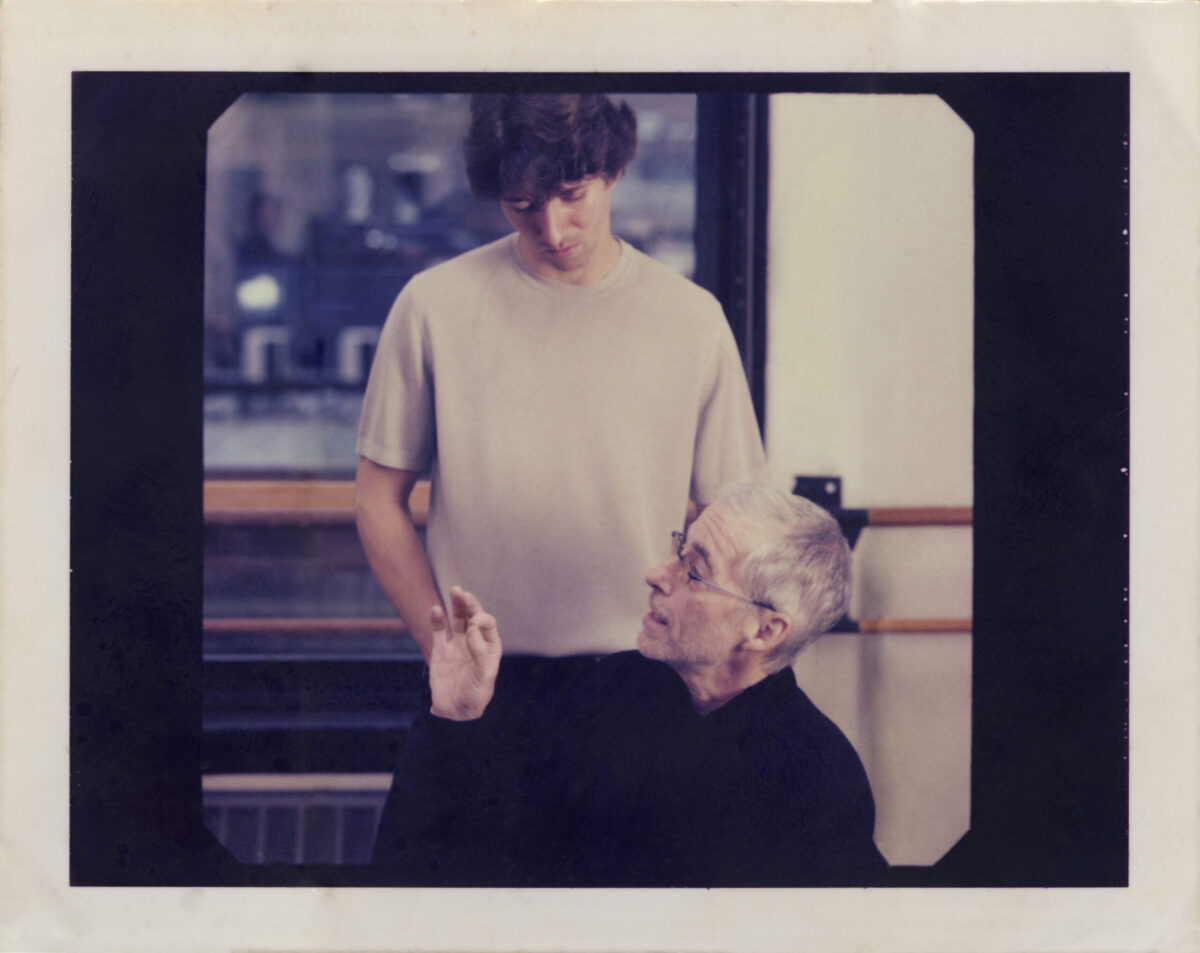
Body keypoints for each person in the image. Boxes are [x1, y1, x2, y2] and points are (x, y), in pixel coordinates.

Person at [354, 93, 767, 664]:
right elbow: (377, 497)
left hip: (643, 668)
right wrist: (443, 647)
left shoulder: (692, 318)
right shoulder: (433, 306)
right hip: (480, 668)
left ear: (614, 171)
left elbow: (737, 517)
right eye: (522, 204)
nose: (552, 228)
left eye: (572, 196)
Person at [372, 485, 887, 887]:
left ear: (765, 630)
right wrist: (458, 719)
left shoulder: (820, 786)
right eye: (679, 548)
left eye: (695, 570)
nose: (657, 573)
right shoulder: (615, 687)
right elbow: (491, 855)